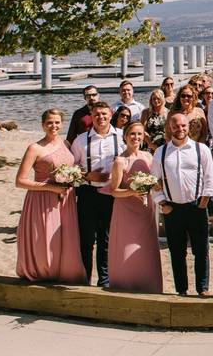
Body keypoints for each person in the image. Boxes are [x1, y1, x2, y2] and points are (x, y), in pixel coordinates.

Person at [16, 109, 86, 283]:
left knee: (65, 238)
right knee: (45, 240)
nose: (53, 126)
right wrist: (50, 188)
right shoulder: (35, 148)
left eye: (57, 122)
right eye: (49, 123)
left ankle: (64, 273)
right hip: (42, 199)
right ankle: (44, 274)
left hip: (66, 199)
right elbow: (20, 181)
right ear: (43, 125)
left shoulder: (66, 144)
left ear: (62, 124)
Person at [152, 113, 213, 296]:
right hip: (172, 209)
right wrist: (162, 202)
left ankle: (202, 288)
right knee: (177, 252)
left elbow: (209, 177)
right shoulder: (161, 152)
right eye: (175, 126)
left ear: (188, 126)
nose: (180, 129)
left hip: (197, 207)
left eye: (183, 126)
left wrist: (204, 201)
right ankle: (182, 290)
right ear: (169, 128)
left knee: (201, 250)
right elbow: (154, 181)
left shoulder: (200, 149)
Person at [71, 102, 125, 287]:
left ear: (110, 115)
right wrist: (87, 175)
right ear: (91, 117)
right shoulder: (80, 140)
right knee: (86, 239)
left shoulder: (121, 137)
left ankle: (105, 279)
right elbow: (71, 170)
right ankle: (84, 278)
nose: (100, 117)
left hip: (111, 194)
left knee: (107, 238)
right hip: (88, 192)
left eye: (104, 114)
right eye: (96, 115)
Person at [107, 121, 162, 293]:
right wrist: (132, 192)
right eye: (132, 134)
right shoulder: (119, 161)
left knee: (145, 249)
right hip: (126, 210)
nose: (136, 137)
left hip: (145, 209)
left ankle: (148, 286)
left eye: (139, 134)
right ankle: (125, 286)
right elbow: (114, 191)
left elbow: (155, 183)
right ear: (125, 136)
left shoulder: (148, 156)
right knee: (126, 248)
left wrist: (156, 186)